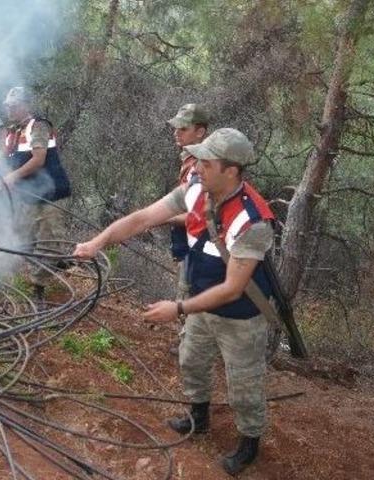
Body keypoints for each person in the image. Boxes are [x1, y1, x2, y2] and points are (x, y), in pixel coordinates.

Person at [73, 128, 274, 475]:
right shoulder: (196, 189)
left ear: (231, 171)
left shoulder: (253, 221)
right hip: (201, 305)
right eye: (197, 160)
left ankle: (248, 443)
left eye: (206, 163)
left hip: (240, 317)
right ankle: (198, 417)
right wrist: (96, 243)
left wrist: (177, 308)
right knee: (191, 362)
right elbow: (142, 218)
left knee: (243, 384)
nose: (196, 168)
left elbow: (232, 289)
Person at [2, 86, 71, 299]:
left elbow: (38, 159)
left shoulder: (38, 126)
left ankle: (38, 289)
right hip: (29, 195)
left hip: (52, 194)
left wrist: (13, 177)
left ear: (25, 106)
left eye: (14, 106)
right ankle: (55, 262)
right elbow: (5, 162)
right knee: (23, 239)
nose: (10, 110)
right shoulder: (13, 132)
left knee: (48, 241)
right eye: (8, 106)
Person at [166, 104, 209, 354]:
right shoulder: (190, 159)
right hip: (191, 240)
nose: (176, 133)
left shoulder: (202, 164)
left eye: (183, 128)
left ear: (200, 132)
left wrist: (166, 218)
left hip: (200, 242)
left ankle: (188, 345)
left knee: (188, 288)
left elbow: (199, 215)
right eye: (176, 128)